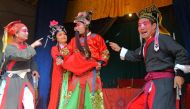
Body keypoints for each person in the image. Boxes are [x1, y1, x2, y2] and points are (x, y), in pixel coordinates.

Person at [109, 5, 190, 109]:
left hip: (164, 84)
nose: (141, 27)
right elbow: (134, 55)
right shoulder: (145, 45)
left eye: (145, 24)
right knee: (134, 106)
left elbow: (181, 52)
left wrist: (179, 74)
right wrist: (120, 49)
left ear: (154, 26)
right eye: (139, 25)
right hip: (152, 83)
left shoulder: (163, 39)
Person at [58, 11, 110, 109]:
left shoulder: (96, 38)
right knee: (73, 99)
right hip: (77, 73)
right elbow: (66, 50)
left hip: (92, 73)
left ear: (86, 24)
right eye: (75, 26)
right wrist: (60, 57)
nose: (76, 28)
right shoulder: (74, 40)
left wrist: (100, 62)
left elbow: (105, 52)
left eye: (78, 25)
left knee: (92, 100)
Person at [0, 20, 42, 109]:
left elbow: (31, 61)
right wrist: (33, 45)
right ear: (16, 33)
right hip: (12, 80)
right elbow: (21, 56)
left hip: (26, 78)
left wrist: (34, 69)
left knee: (30, 103)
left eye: (27, 31)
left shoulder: (27, 46)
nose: (27, 33)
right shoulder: (10, 48)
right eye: (24, 31)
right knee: (10, 105)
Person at [48, 20, 70, 109]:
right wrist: (62, 59)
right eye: (60, 35)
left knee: (68, 96)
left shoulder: (71, 47)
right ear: (56, 38)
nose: (63, 36)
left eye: (64, 34)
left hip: (69, 75)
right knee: (55, 96)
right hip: (57, 75)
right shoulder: (54, 48)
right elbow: (57, 57)